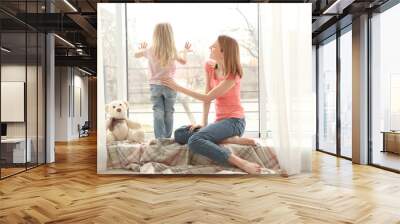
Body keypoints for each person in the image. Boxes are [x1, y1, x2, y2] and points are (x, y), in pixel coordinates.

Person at [162, 35, 261, 174]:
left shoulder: (233, 75)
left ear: (223, 52)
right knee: (179, 134)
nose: (210, 47)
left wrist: (177, 87)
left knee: (195, 140)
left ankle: (241, 162)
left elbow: (208, 96)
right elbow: (207, 97)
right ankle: (227, 140)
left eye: (214, 46)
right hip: (220, 122)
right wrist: (203, 123)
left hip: (235, 122)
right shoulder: (209, 66)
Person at [134, 22, 191, 139]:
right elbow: (184, 61)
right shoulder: (172, 50)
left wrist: (143, 48)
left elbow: (136, 55)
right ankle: (167, 138)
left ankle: (160, 139)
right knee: (169, 112)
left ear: (155, 35)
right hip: (170, 85)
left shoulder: (150, 50)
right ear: (170, 35)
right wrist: (185, 51)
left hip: (155, 86)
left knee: (158, 112)